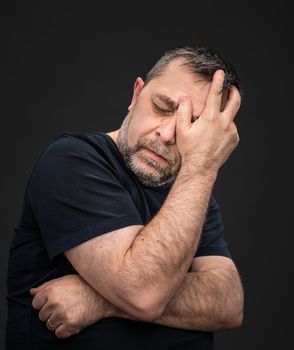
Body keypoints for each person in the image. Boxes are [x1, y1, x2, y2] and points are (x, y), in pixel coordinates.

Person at [6, 45, 244, 350]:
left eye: (192, 126)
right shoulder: (71, 159)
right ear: (136, 95)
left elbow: (228, 304)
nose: (168, 134)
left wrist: (101, 301)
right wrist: (200, 169)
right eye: (162, 107)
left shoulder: (191, 190)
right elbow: (144, 294)